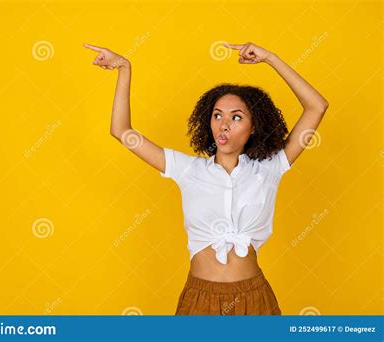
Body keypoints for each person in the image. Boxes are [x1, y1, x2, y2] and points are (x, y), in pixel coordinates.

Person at [84, 41, 329, 315]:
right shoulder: (187, 169)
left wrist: (270, 58)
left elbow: (317, 107)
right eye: (217, 116)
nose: (224, 124)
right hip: (200, 300)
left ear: (254, 126)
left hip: (254, 300)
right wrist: (124, 68)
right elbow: (121, 130)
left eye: (236, 117)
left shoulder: (270, 168)